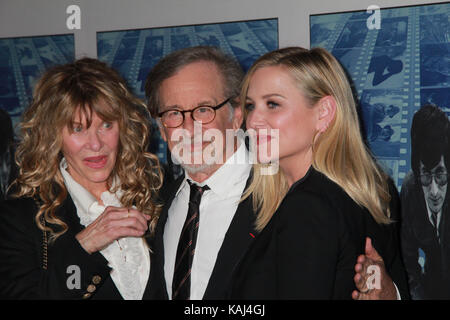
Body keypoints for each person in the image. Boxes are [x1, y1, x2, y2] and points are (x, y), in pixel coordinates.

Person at [229, 47, 409, 299]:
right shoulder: (376, 189)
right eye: (250, 106)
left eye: (273, 104)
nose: (253, 121)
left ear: (323, 113)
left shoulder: (307, 205)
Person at [0, 58, 163, 299]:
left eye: (106, 125)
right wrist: (84, 246)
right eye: (78, 129)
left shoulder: (158, 193)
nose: (96, 144)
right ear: (53, 135)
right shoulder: (21, 219)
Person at [144, 46, 254, 300]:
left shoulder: (284, 199)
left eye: (203, 109)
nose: (189, 128)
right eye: (173, 113)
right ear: (161, 128)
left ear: (237, 114)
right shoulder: (159, 203)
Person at [401, 104, 450, 299]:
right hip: (433, 277)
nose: (434, 192)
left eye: (440, 175)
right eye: (425, 177)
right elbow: (407, 262)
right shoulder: (410, 190)